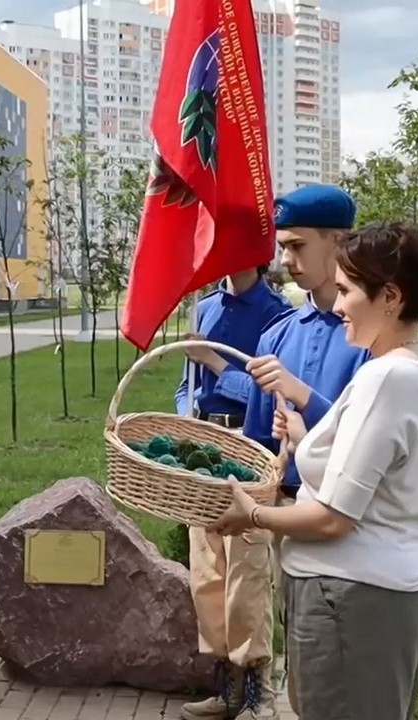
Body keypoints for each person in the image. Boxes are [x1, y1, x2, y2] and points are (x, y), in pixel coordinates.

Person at [207, 221, 418, 720]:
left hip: (352, 600)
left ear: (391, 298)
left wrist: (251, 514)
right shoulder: (410, 367)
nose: (336, 307)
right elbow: (372, 471)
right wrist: (304, 436)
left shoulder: (386, 378)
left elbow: (334, 518)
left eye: (346, 291)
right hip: (369, 597)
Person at [180, 185, 369, 720]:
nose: (286, 261)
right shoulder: (279, 334)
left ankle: (263, 686)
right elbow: (261, 435)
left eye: (296, 246)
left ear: (339, 242)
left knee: (330, 627)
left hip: (346, 507)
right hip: (280, 494)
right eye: (281, 247)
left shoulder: (365, 336)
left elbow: (367, 428)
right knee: (288, 610)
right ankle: (244, 688)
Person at [174, 265, 289, 720]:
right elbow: (187, 386)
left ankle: (258, 685)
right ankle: (226, 685)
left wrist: (217, 364)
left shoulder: (277, 316)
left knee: (247, 572)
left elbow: (273, 399)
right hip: (204, 451)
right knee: (207, 573)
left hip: (250, 450)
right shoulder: (203, 308)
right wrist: (185, 421)